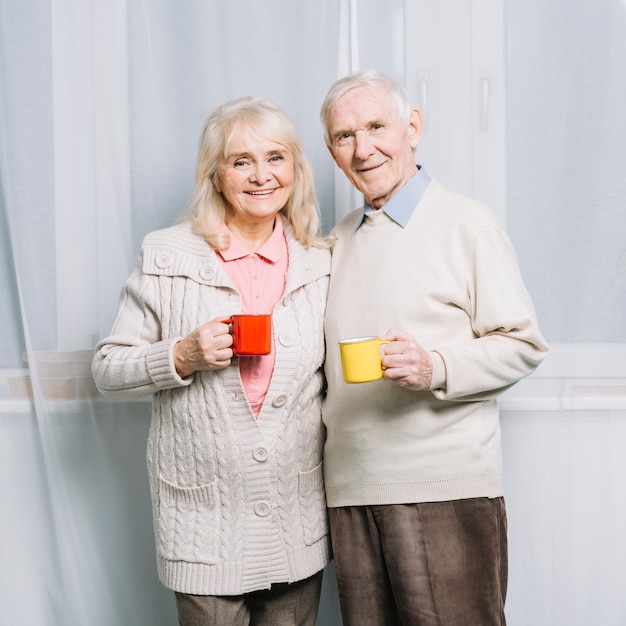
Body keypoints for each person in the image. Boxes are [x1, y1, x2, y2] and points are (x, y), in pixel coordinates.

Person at [319, 69, 549, 625]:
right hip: (351, 492)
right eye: (344, 136)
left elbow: (523, 344)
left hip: (444, 489)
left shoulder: (466, 223)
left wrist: (435, 366)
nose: (363, 148)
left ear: (413, 127)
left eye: (377, 126)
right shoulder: (340, 237)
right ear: (331, 150)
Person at [92, 96, 332, 626]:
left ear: (295, 168)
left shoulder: (322, 260)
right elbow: (108, 367)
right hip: (203, 522)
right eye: (241, 160)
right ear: (215, 176)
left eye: (276, 157)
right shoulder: (167, 254)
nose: (261, 175)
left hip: (296, 516)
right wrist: (181, 355)